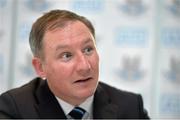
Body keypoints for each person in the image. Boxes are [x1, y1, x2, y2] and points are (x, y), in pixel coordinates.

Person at [0, 9, 149, 119]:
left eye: (88, 49)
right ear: (40, 67)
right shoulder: (14, 110)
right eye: (66, 55)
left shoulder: (131, 107)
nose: (84, 66)